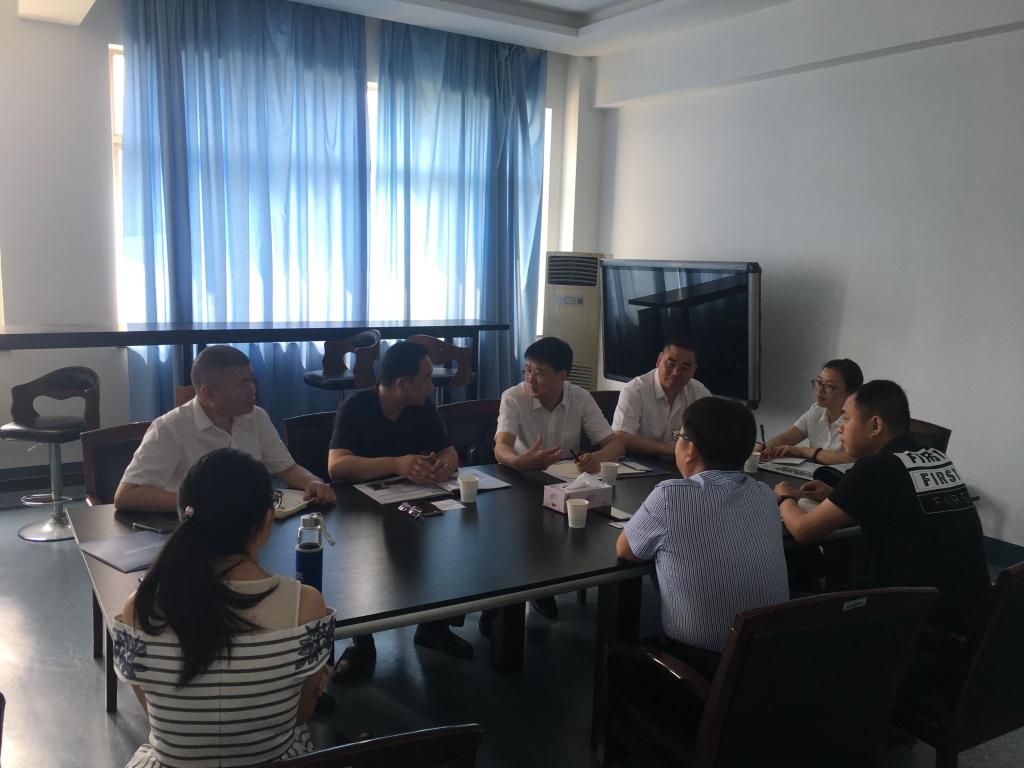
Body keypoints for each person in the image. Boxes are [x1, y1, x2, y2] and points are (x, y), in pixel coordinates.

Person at [112, 448, 335, 767]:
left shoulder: (139, 609)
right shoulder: (305, 605)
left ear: (184, 517)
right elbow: (301, 714)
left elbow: (157, 714)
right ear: (266, 522)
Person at [774, 380, 990, 635]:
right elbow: (901, 506)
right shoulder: (935, 456)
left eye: (847, 419)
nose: (841, 428)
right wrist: (837, 496)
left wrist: (785, 496)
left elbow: (804, 531)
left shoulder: (876, 468)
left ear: (875, 426)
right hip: (973, 611)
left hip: (922, 620)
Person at [616, 396, 789, 676]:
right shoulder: (765, 494)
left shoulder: (670, 496)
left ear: (690, 450)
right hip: (767, 657)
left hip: (701, 666)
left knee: (619, 653)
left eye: (679, 437)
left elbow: (626, 550)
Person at [327, 340, 466, 681]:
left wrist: (443, 466)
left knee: (444, 548)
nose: (432, 385)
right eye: (426, 378)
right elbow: (337, 466)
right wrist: (395, 463)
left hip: (411, 502)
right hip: (361, 512)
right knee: (365, 568)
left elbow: (449, 451)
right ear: (402, 384)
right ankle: (362, 643)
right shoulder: (356, 407)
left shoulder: (422, 406)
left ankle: (433, 627)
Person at [493, 336, 625, 620]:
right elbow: (501, 447)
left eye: (539, 373)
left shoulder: (580, 397)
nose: (530, 379)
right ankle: (514, 600)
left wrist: (596, 458)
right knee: (526, 532)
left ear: (562, 375)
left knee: (597, 526)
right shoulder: (513, 397)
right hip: (522, 482)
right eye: (527, 370)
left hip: (566, 485)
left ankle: (556, 582)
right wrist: (520, 461)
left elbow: (616, 445)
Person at [115, 345, 335, 512]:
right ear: (209, 393)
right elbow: (126, 495)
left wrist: (312, 481)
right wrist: (201, 505)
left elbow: (287, 469)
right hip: (194, 530)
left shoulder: (256, 417)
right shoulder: (170, 428)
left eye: (252, 380)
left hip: (249, 528)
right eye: (243, 384)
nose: (253, 390)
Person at [612, 337, 711, 457]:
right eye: (671, 364)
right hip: (639, 461)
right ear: (659, 360)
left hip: (681, 464)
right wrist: (666, 449)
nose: (676, 372)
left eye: (685, 368)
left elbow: (709, 437)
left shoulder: (700, 393)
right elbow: (620, 437)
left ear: (694, 369)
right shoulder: (635, 390)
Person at [761, 358, 863, 466]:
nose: (820, 390)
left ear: (852, 392)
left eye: (829, 386)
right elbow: (784, 438)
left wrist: (802, 451)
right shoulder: (816, 411)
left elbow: (851, 459)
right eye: (819, 382)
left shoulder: (859, 421)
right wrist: (765, 448)